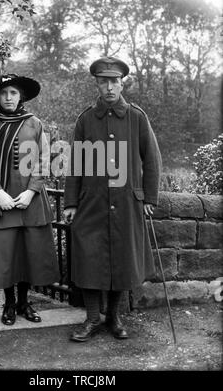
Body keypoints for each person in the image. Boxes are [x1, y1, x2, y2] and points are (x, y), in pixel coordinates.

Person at [64, 57, 162, 342]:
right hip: (91, 203)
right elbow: (76, 165)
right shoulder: (85, 119)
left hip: (127, 203)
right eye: (104, 82)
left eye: (114, 82)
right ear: (96, 83)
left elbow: (152, 161)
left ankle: (114, 318)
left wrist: (148, 199)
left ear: (122, 84)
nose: (109, 88)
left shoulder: (137, 117)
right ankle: (92, 319)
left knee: (122, 259)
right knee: (89, 259)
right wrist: (71, 202)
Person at [0, 73, 59, 325]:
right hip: (1, 202)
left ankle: (24, 303)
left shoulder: (34, 124)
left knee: (27, 253)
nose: (8, 97)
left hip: (29, 201)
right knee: (5, 255)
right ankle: (9, 304)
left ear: (20, 95)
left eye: (13, 92)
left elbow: (45, 160)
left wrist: (32, 190)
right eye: (4, 93)